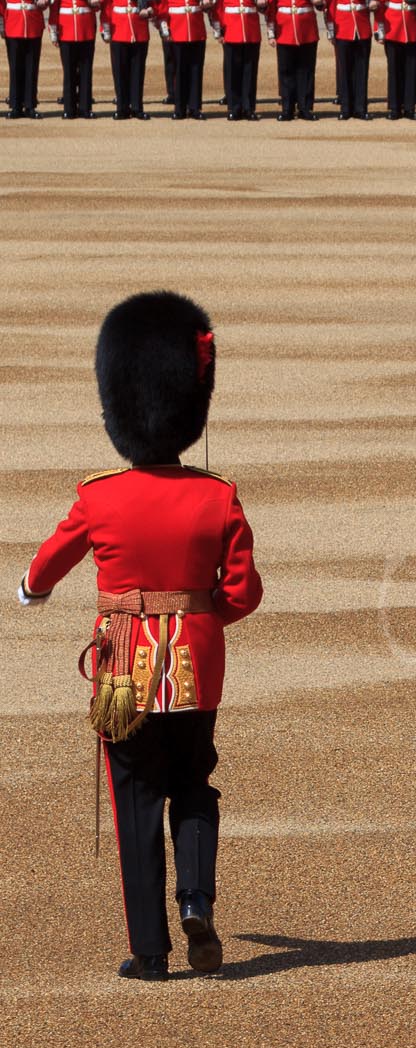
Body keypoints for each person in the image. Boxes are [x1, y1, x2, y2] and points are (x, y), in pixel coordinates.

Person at [17, 292, 265, 983]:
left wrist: (30, 591)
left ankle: (150, 953)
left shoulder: (100, 496)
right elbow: (243, 591)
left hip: (123, 662)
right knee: (194, 784)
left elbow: (47, 564)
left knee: (134, 799)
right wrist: (200, 615)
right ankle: (195, 897)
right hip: (198, 658)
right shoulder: (217, 496)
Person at [101, 0, 155, 119]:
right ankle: (122, 107)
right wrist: (105, 28)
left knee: (138, 71)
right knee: (119, 72)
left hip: (139, 29)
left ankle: (137, 107)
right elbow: (107, 6)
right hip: (119, 29)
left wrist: (150, 10)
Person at [379, 0, 416, 117]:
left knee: (411, 69)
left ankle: (410, 107)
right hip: (392, 26)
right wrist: (379, 29)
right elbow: (380, 5)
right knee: (394, 69)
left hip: (412, 25)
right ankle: (395, 108)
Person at [268, 0, 320, 118]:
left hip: (306, 29)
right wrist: (271, 32)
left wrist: (320, 0)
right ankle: (287, 108)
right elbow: (271, 7)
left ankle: (305, 107)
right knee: (286, 71)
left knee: (306, 70)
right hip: (284, 30)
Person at [211, 0, 262, 117]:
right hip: (231, 29)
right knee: (233, 70)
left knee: (250, 71)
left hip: (251, 29)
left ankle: (249, 107)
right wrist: (219, 30)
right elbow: (217, 7)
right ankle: (235, 107)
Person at [4, 0, 49, 118]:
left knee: (32, 67)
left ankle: (30, 105)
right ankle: (15, 106)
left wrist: (45, 2)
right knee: (15, 68)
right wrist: (2, 23)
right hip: (13, 23)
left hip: (33, 23)